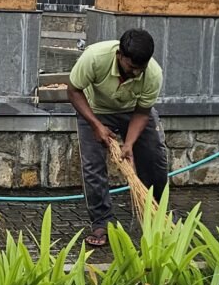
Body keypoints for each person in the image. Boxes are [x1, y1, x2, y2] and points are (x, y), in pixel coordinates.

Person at [67, 28, 168, 247]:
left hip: (134, 110)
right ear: (119, 56)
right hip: (95, 109)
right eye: (131, 67)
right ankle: (102, 222)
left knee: (155, 158)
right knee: (93, 166)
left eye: (140, 69)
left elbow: (142, 112)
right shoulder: (94, 58)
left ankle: (155, 213)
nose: (136, 73)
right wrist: (96, 124)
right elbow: (74, 90)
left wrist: (129, 144)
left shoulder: (152, 74)